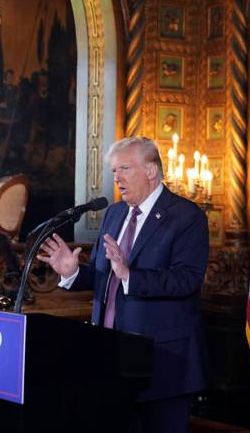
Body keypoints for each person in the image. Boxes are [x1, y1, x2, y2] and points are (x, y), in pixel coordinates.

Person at [37, 136, 209, 432]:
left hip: (162, 363)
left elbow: (187, 279)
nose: (116, 178)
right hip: (110, 358)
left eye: (125, 169)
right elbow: (107, 275)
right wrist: (73, 272)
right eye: (114, 171)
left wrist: (130, 275)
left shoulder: (186, 216)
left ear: (152, 170)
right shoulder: (115, 213)